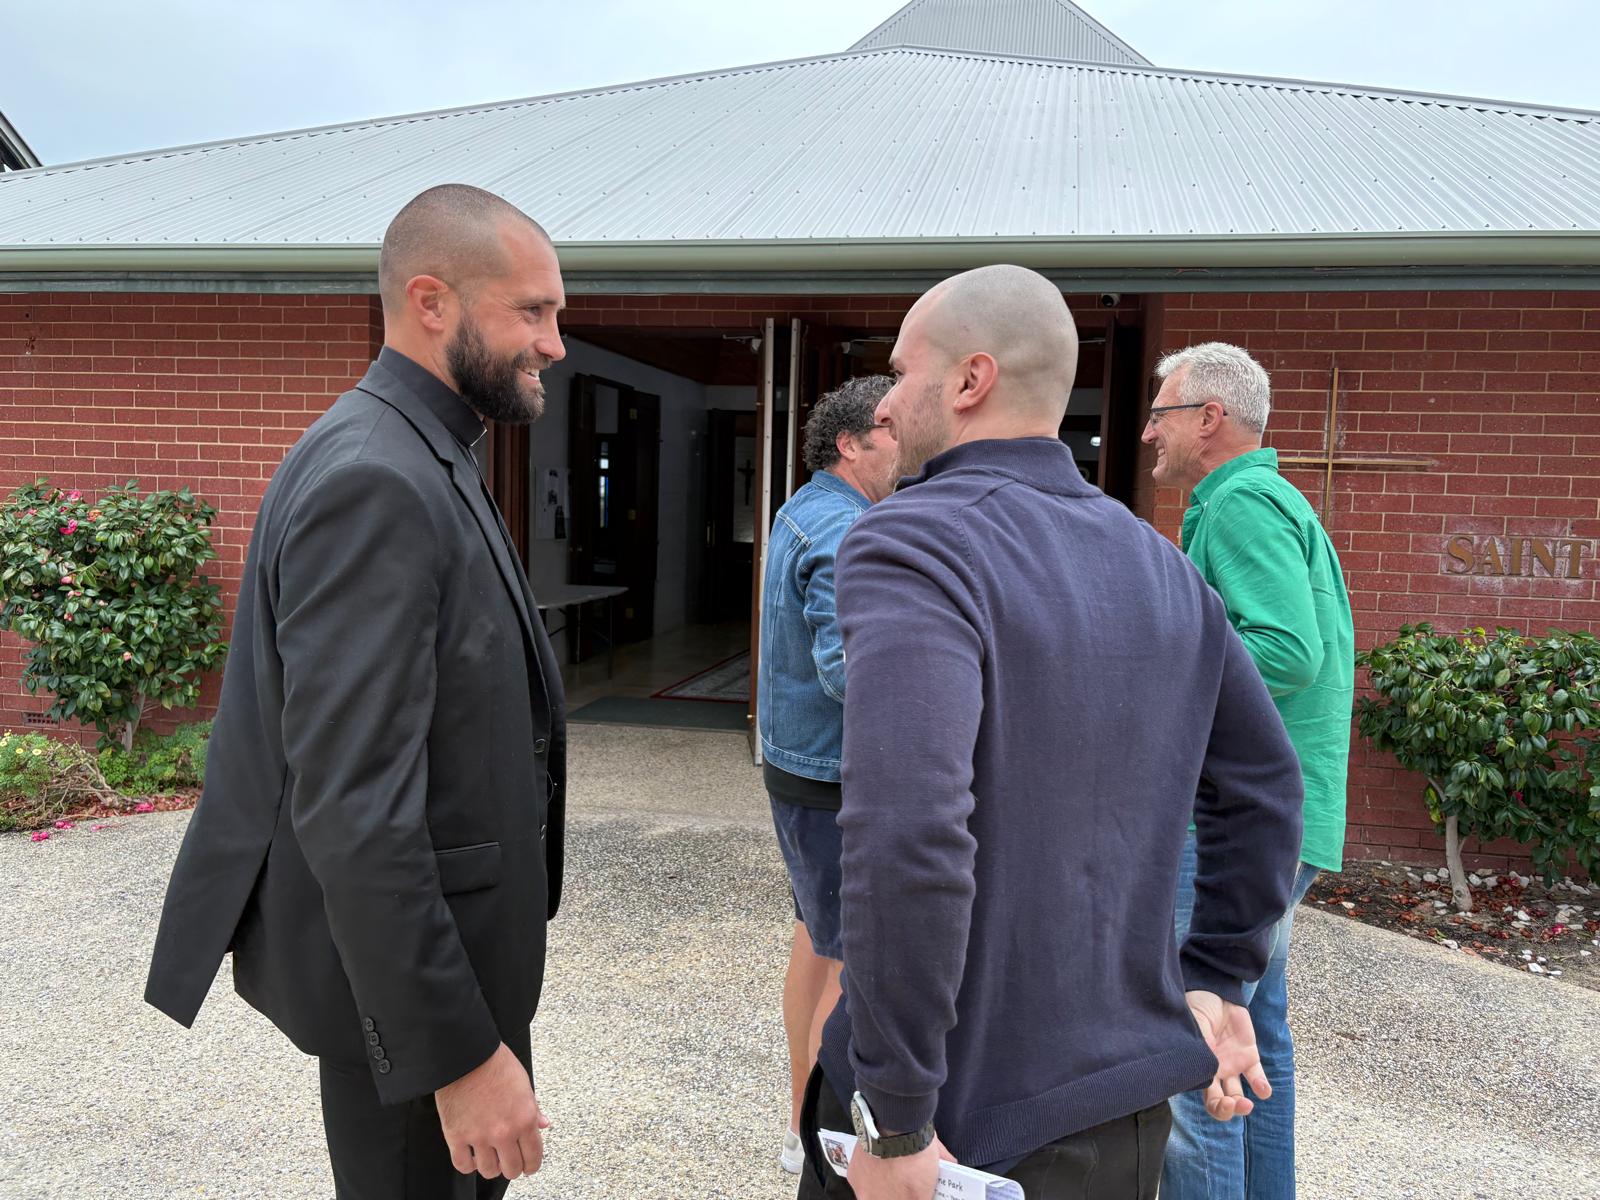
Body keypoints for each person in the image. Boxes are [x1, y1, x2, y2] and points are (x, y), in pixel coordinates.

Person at [798, 265, 1306, 1200]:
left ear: (970, 379)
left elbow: (908, 829)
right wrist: (1219, 976)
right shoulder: (1159, 563)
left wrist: (896, 1112)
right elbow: (1266, 786)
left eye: (903, 374)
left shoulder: (912, 541)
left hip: (962, 1123)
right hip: (1126, 1115)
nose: (888, 403)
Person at [144, 184, 569, 1200]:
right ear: (431, 302)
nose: (554, 343)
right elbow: (353, 808)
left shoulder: (422, 450)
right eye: (533, 311)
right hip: (417, 1015)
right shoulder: (375, 478)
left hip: (453, 973)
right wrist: (456, 1058)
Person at [1143, 342, 1354, 1200]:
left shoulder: (1239, 503)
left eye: (1160, 413)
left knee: (1195, 1050)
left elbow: (1287, 652)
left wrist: (1148, 672)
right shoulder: (1263, 499)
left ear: (1209, 418)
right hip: (1275, 817)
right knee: (1249, 1034)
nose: (1148, 432)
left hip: (1231, 821)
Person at [757, 375, 898, 1173]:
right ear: (850, 443)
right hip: (832, 778)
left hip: (799, 771)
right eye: (892, 432)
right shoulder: (846, 531)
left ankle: (797, 1127)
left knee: (817, 944)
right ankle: (823, 1146)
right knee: (846, 964)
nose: (907, 446)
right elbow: (852, 673)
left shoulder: (803, 510)